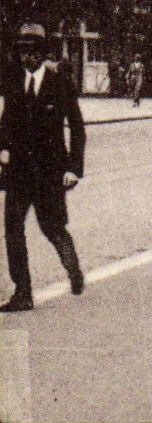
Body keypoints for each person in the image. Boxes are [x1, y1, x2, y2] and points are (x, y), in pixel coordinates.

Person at [1, 23, 87, 311]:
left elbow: (77, 128)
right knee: (12, 228)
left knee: (51, 227)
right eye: (23, 52)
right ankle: (22, 292)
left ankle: (72, 268)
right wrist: (2, 149)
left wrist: (73, 168)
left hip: (50, 172)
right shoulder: (13, 83)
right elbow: (5, 123)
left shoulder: (59, 84)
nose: (28, 58)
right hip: (19, 173)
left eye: (33, 52)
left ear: (42, 52)